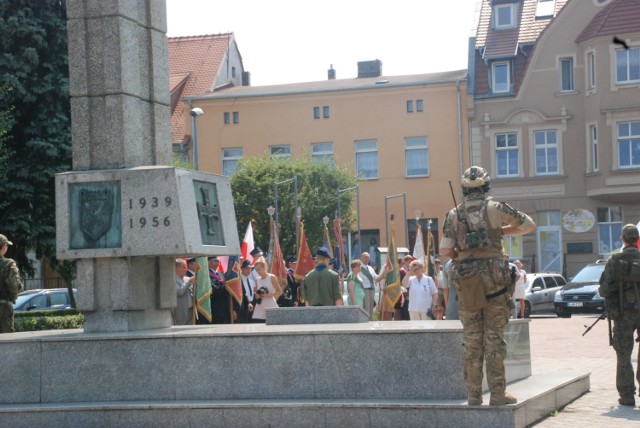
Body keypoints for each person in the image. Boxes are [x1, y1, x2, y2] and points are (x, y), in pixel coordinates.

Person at [440, 166, 536, 406]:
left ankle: (473, 395)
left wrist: (464, 252)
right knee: (494, 338)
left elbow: (445, 251)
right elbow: (529, 225)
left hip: (468, 281)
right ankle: (497, 393)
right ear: (486, 187)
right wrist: (499, 231)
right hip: (496, 282)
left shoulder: (453, 214)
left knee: (472, 340)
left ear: (464, 189)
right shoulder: (496, 207)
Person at [599, 223, 640, 407]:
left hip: (623, 314)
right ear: (637, 239)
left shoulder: (614, 260)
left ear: (623, 239)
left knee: (623, 354)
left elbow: (605, 289)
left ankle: (627, 395)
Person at [0, 234, 23, 333]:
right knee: (6, 340)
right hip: (3, 306)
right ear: (4, 246)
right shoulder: (8, 264)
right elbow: (14, 286)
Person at [251, 256, 282, 322]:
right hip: (260, 306)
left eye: (259, 269)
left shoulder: (272, 277)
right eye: (256, 270)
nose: (258, 271)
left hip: (270, 304)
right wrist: (258, 295)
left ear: (264, 267)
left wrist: (269, 295)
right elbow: (256, 294)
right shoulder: (257, 280)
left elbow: (279, 291)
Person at [359, 252, 386, 319]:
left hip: (372, 290)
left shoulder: (370, 268)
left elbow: (377, 279)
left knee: (371, 309)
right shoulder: (359, 268)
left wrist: (385, 270)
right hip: (365, 290)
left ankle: (369, 323)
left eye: (368, 257)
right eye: (365, 257)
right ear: (361, 258)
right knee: (366, 309)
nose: (367, 259)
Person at [174, 258, 194, 325]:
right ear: (176, 268)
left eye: (186, 267)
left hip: (191, 309)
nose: (186, 269)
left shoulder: (187, 278)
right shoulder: (172, 279)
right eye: (184, 267)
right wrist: (189, 282)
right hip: (180, 311)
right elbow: (179, 292)